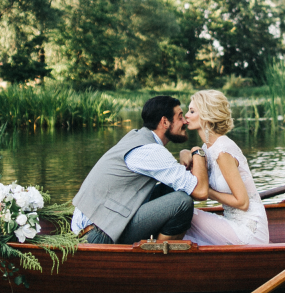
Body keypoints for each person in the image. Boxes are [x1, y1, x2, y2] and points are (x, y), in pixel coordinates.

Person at [71, 96, 208, 244]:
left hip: (94, 226)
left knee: (173, 189)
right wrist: (197, 151)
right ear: (164, 122)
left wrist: (184, 153)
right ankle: (157, 256)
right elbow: (201, 192)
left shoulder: (137, 137)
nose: (185, 121)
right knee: (182, 202)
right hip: (97, 235)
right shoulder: (150, 150)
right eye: (180, 117)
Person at [182, 90, 269, 245]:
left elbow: (242, 202)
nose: (186, 115)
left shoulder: (222, 150)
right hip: (232, 223)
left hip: (249, 230)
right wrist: (185, 153)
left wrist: (208, 192)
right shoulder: (207, 148)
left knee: (184, 213)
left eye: (192, 111)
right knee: (182, 220)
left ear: (207, 115)